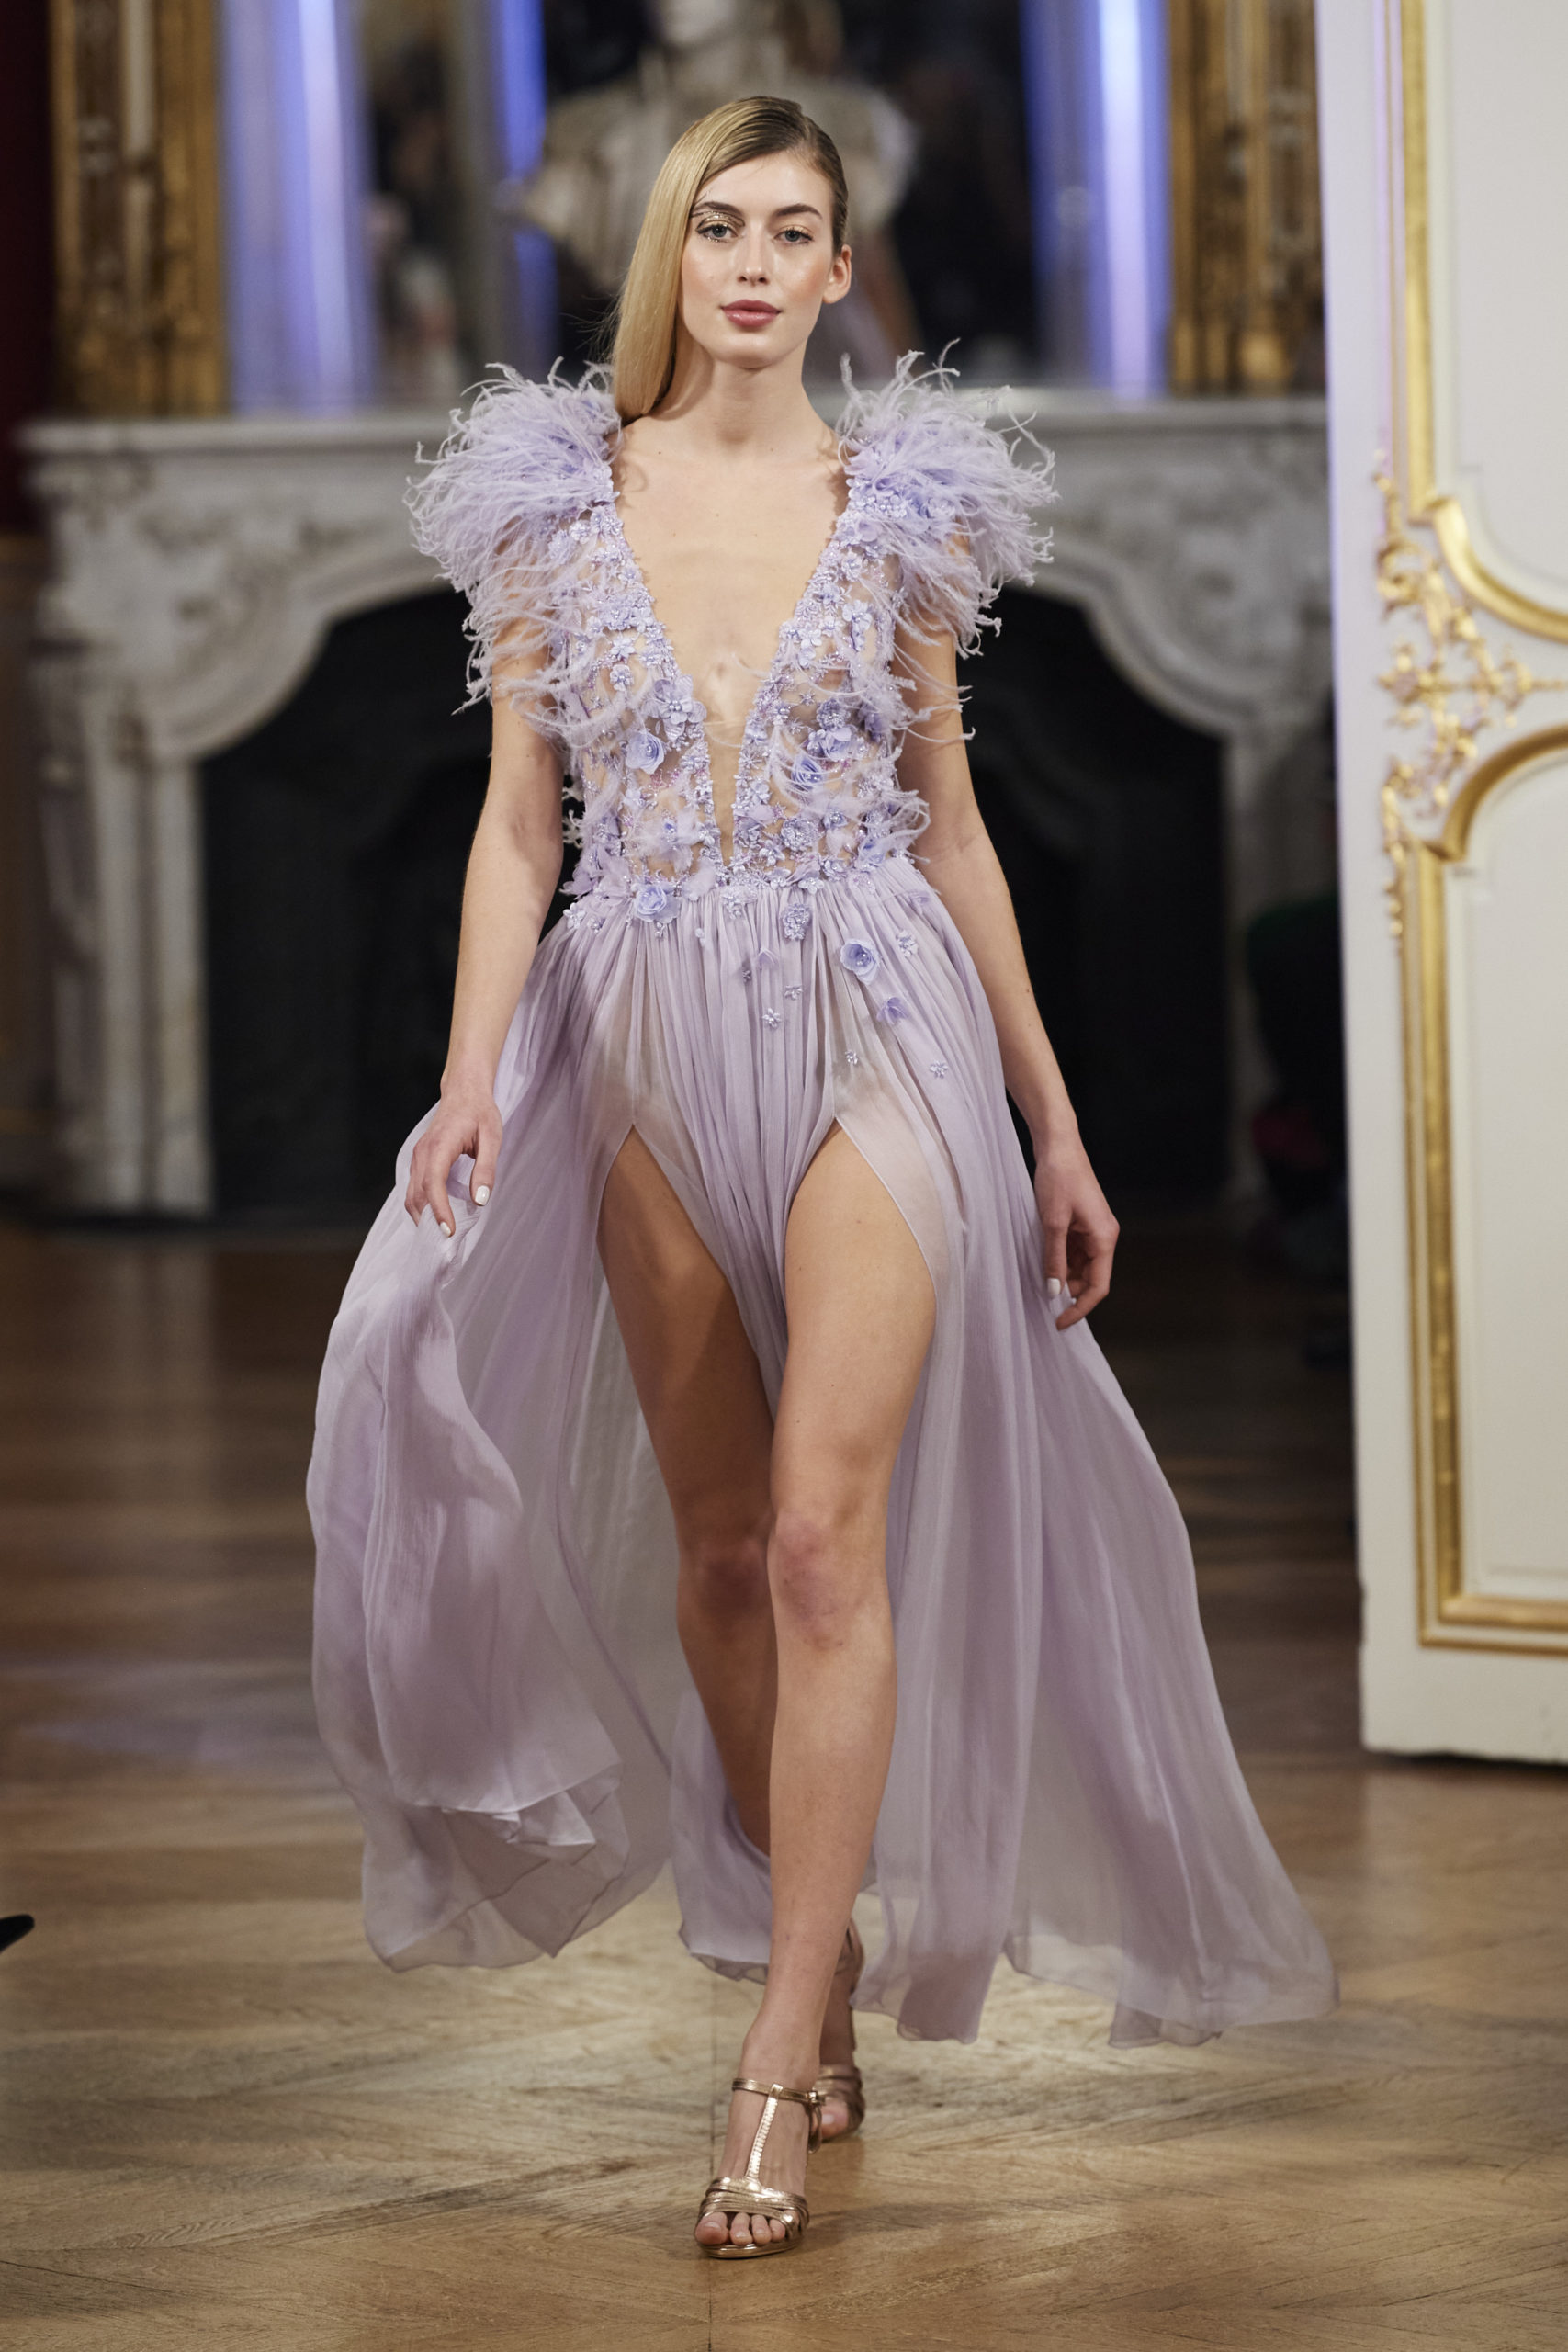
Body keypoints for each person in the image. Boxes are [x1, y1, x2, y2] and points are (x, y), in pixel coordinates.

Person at [308, 96, 1337, 2264]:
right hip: (639, 1018)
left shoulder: (901, 508)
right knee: (711, 1547)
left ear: (841, 269)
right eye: (721, 228)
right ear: (666, 257)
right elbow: (515, 823)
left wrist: (1052, 1121)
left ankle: (776, 2044)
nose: (757, 266)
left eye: (794, 231)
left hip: (877, 1007)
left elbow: (952, 827)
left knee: (807, 1532)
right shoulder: (549, 504)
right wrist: (470, 1073)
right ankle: (817, 1930)